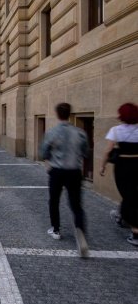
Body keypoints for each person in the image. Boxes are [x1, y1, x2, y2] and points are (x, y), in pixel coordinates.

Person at [40, 102, 90, 257]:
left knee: (54, 200)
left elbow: (44, 152)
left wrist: (50, 158)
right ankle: (80, 232)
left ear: (57, 114)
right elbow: (86, 152)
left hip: (57, 171)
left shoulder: (52, 132)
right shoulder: (80, 133)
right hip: (74, 171)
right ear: (69, 114)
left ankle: (55, 229)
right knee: (76, 205)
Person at [100, 103, 138, 246]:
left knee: (128, 195)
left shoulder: (116, 130)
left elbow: (107, 150)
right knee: (133, 195)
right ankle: (123, 216)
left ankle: (135, 231)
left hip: (123, 166)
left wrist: (103, 166)